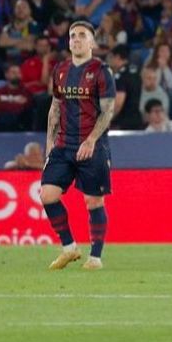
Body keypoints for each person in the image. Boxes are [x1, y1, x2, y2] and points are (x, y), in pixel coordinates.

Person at [39, 19, 116, 271]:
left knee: (93, 201)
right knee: (47, 194)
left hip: (92, 146)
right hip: (64, 145)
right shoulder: (60, 70)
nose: (76, 39)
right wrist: (49, 142)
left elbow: (107, 111)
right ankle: (69, 247)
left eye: (82, 35)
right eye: (72, 35)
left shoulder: (102, 71)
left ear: (92, 42)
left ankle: (95, 258)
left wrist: (92, 140)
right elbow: (55, 107)